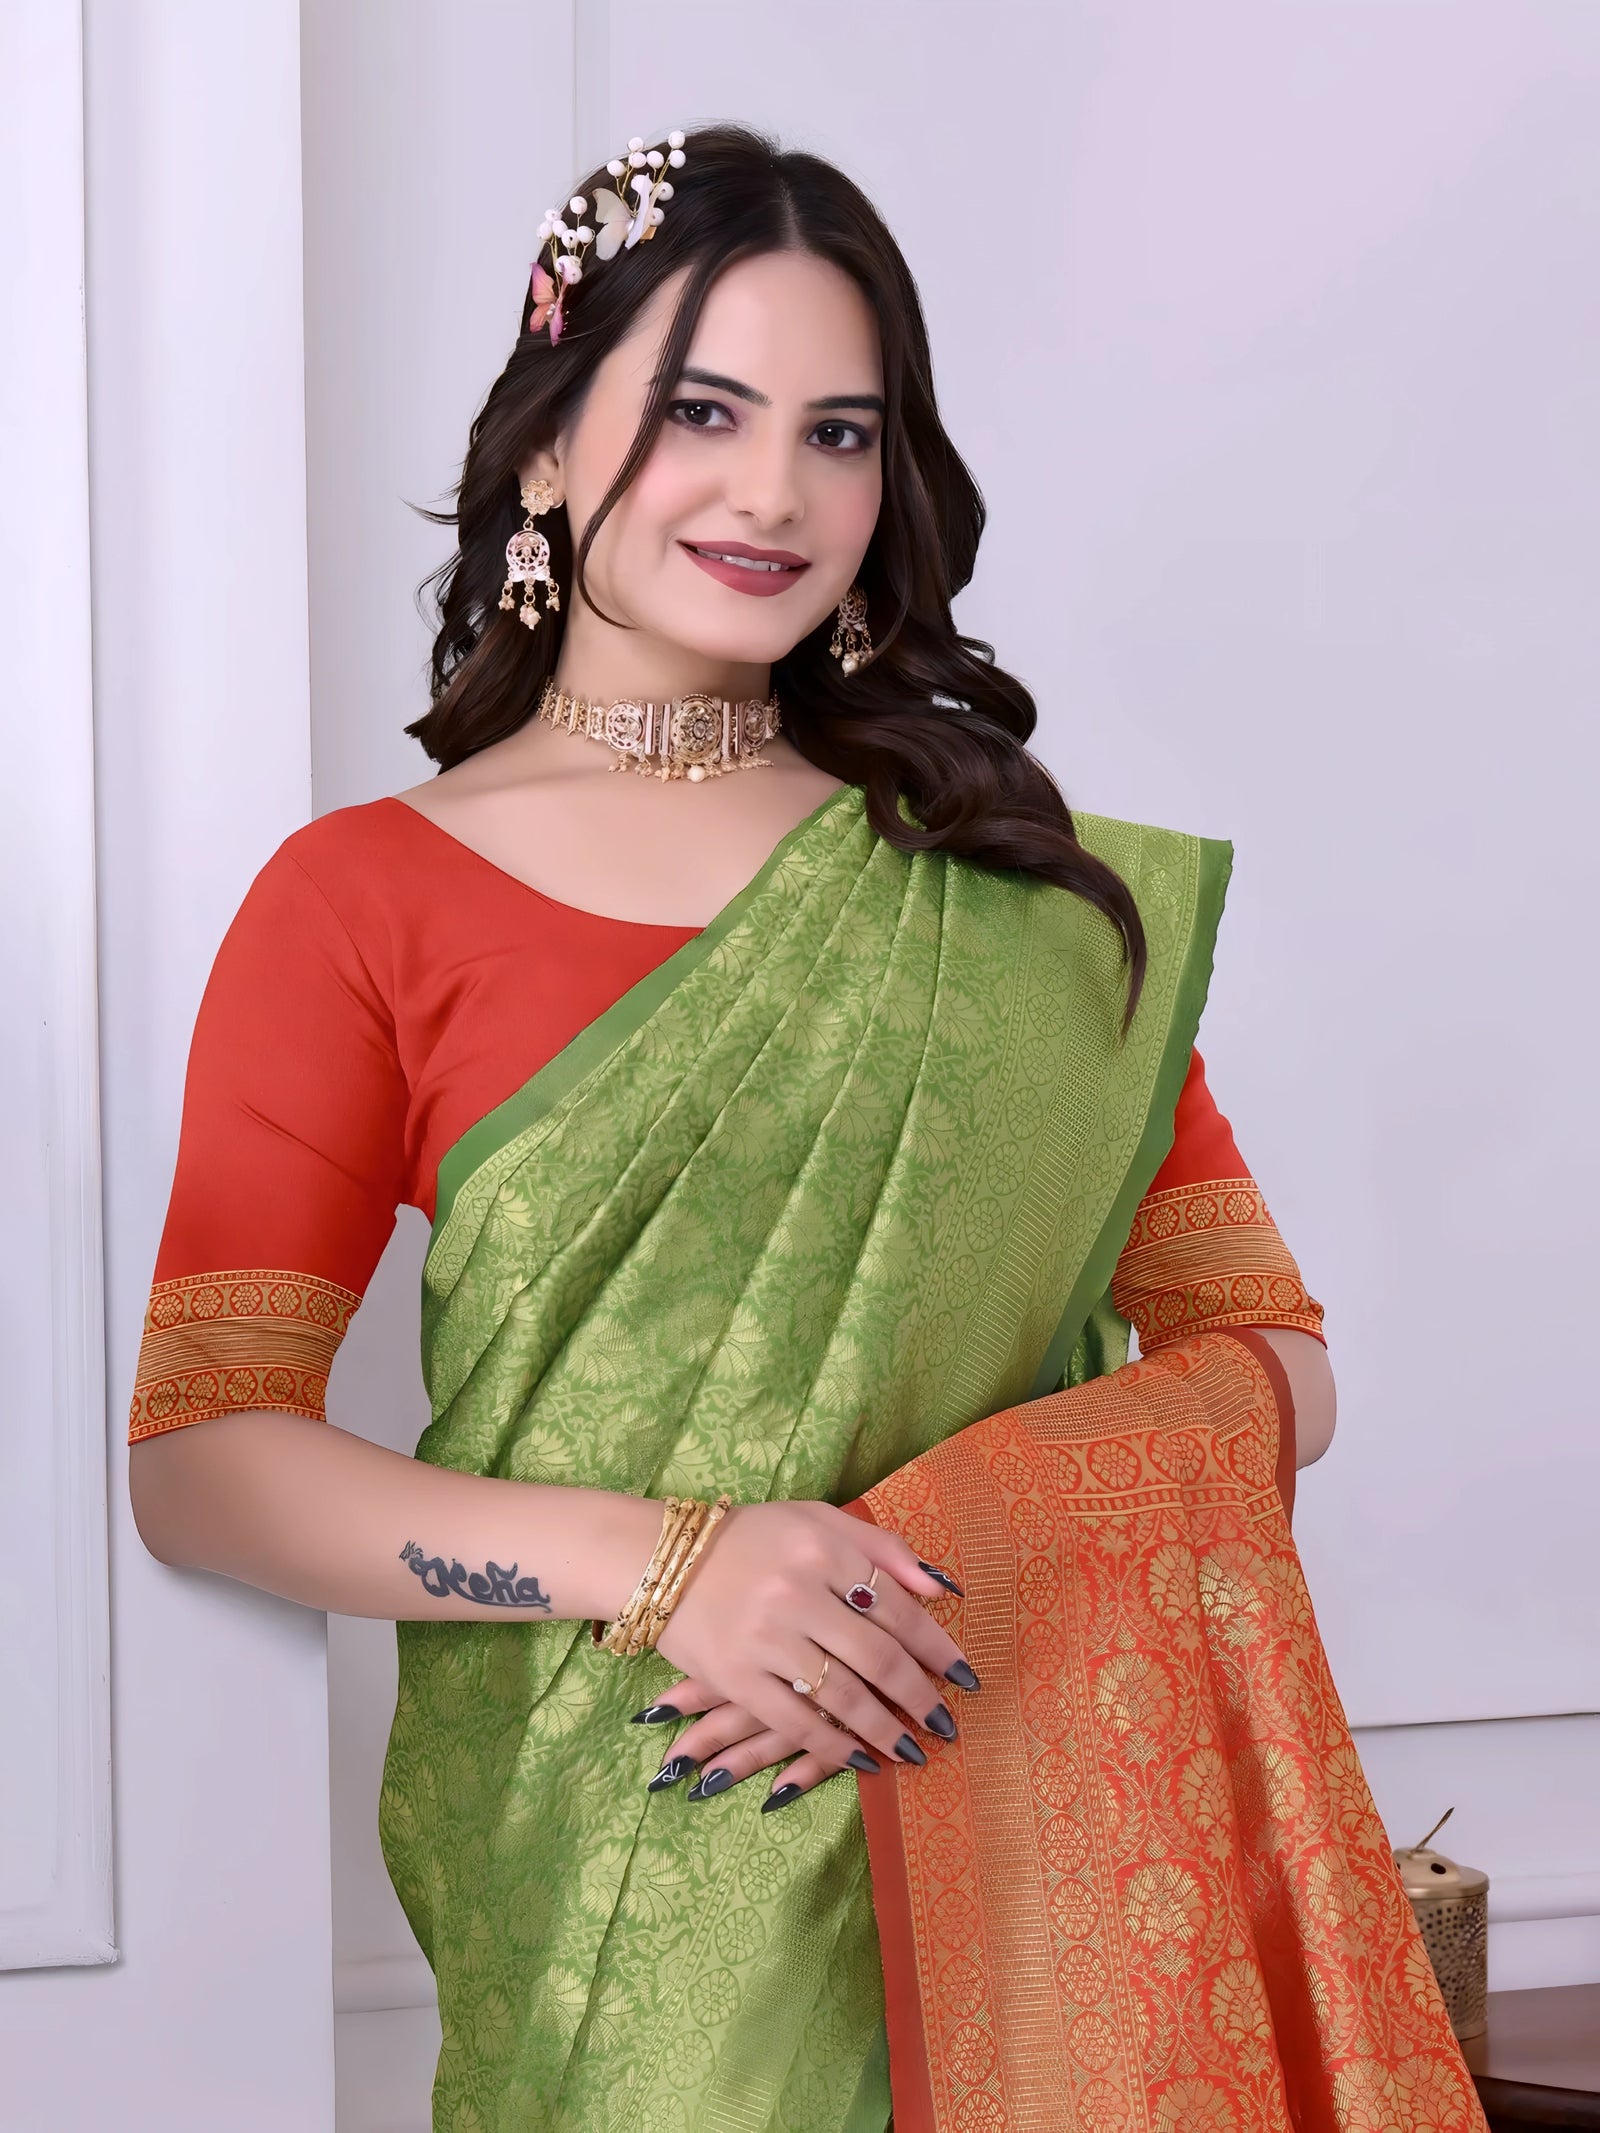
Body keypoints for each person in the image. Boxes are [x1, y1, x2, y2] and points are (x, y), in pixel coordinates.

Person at [129, 124, 1484, 2133]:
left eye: (838, 432)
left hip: (1013, 1810)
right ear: (545, 447)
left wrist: (925, 1561)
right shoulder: (361, 898)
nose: (773, 491)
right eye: (700, 409)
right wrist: (676, 1564)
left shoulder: (1006, 897)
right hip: (616, 1867)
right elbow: (207, 1455)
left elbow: (1268, 1360)